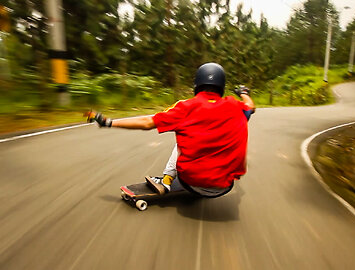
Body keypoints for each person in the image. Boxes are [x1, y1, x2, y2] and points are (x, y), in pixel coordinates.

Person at [86, 63, 255, 198]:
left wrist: (108, 122)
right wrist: (243, 92)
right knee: (225, 134)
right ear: (221, 86)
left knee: (183, 136)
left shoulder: (186, 107)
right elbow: (251, 107)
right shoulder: (236, 107)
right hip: (225, 185)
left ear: (197, 84)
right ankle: (196, 175)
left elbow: (146, 122)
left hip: (191, 181)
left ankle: (167, 179)